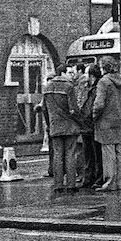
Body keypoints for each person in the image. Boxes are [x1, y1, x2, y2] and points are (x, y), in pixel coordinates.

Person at [92, 56, 121, 192]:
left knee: (108, 152)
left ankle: (109, 182)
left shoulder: (104, 82)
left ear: (104, 67)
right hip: (118, 120)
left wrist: (94, 116)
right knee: (118, 151)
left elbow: (99, 104)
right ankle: (119, 181)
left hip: (105, 121)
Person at [43, 64, 80, 192]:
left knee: (57, 155)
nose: (71, 75)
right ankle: (71, 184)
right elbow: (74, 109)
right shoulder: (69, 87)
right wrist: (78, 121)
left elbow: (44, 109)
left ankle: (58, 184)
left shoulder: (47, 87)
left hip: (55, 126)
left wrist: (50, 124)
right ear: (62, 73)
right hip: (70, 127)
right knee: (70, 155)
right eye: (69, 72)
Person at [78, 64, 103, 189]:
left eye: (87, 73)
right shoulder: (87, 87)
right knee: (88, 154)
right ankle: (89, 178)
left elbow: (93, 107)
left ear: (92, 75)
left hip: (91, 125)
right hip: (87, 125)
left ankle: (95, 178)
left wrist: (89, 117)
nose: (85, 76)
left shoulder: (97, 87)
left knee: (94, 153)